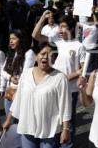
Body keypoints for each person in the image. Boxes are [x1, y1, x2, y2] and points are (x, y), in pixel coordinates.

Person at [32, 11, 86, 148]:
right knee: (53, 118)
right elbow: (35, 35)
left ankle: (67, 145)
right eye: (59, 26)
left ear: (71, 28)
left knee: (68, 121)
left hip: (69, 89)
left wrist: (65, 78)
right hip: (51, 88)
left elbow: (82, 69)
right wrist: (43, 18)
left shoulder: (79, 46)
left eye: (63, 27)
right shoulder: (55, 42)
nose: (60, 30)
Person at [3, 42, 71, 148]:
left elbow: (65, 105)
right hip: (27, 126)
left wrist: (66, 129)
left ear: (53, 59)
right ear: (36, 57)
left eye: (50, 55)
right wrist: (8, 119)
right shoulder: (26, 74)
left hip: (49, 130)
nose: (45, 57)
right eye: (42, 53)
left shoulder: (60, 78)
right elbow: (18, 99)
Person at [0, 29, 36, 115]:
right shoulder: (11, 53)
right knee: (9, 125)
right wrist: (10, 78)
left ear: (21, 39)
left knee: (18, 124)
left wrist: (16, 84)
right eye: (10, 39)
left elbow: (25, 75)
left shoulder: (29, 53)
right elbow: (2, 71)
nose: (11, 41)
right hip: (9, 92)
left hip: (21, 93)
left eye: (14, 38)